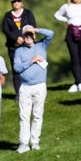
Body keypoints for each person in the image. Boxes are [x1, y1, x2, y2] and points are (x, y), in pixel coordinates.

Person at [13, 25, 54, 153]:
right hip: (25, 87)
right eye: (26, 35)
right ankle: (23, 144)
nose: (29, 37)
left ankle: (35, 141)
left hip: (40, 86)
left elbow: (51, 33)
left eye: (30, 35)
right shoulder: (19, 51)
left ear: (34, 36)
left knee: (37, 115)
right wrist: (31, 61)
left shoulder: (41, 45)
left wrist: (35, 29)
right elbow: (17, 68)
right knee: (24, 116)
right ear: (23, 37)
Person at [2, 0, 36, 100]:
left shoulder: (28, 13)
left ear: (22, 2)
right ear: (11, 3)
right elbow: (5, 29)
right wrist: (16, 38)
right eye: (14, 1)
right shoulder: (7, 16)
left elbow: (33, 26)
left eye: (18, 1)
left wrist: (24, 37)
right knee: (16, 70)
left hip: (27, 46)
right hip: (13, 47)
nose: (16, 3)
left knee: (29, 68)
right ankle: (18, 93)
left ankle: (30, 92)